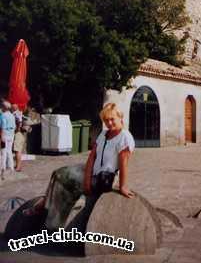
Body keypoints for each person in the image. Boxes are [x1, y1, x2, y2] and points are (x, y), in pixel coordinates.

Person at [23, 102, 135, 230]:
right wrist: (87, 177)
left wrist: (123, 187)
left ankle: (52, 221)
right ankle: (44, 204)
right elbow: (92, 157)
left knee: (66, 182)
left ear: (120, 117)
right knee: (57, 172)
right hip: (93, 171)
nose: (109, 123)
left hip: (104, 177)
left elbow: (123, 163)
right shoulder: (104, 134)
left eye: (112, 119)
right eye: (106, 120)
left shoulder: (125, 137)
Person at [0, 99, 16, 179]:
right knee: (9, 151)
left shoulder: (2, 116)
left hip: (5, 135)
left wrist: (2, 137)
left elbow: (2, 127)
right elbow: (14, 126)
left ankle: (2, 171)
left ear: (3, 107)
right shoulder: (12, 115)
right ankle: (11, 168)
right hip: (11, 135)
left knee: (3, 153)